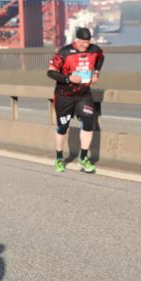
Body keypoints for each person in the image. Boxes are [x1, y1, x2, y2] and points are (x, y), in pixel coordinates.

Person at [47, 26, 104, 173]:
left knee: (88, 122)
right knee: (62, 127)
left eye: (88, 42)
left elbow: (101, 57)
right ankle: (59, 157)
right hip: (64, 96)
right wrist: (68, 78)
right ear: (77, 40)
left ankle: (83, 158)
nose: (86, 45)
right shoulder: (64, 52)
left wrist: (96, 72)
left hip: (83, 94)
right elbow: (51, 72)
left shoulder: (94, 50)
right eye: (83, 42)